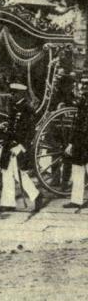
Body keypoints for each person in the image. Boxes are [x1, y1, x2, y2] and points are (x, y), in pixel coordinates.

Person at [0, 83, 44, 212]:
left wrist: (21, 146)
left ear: (22, 94)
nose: (12, 95)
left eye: (15, 93)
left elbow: (30, 132)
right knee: (6, 172)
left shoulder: (27, 109)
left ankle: (36, 195)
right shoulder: (14, 107)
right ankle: (8, 203)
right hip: (9, 145)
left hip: (18, 146)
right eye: (12, 93)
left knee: (19, 174)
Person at [63, 75, 88, 209]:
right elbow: (78, 124)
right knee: (77, 169)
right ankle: (76, 200)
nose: (83, 88)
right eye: (83, 85)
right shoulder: (83, 102)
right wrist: (72, 143)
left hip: (84, 141)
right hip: (80, 141)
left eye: (86, 86)